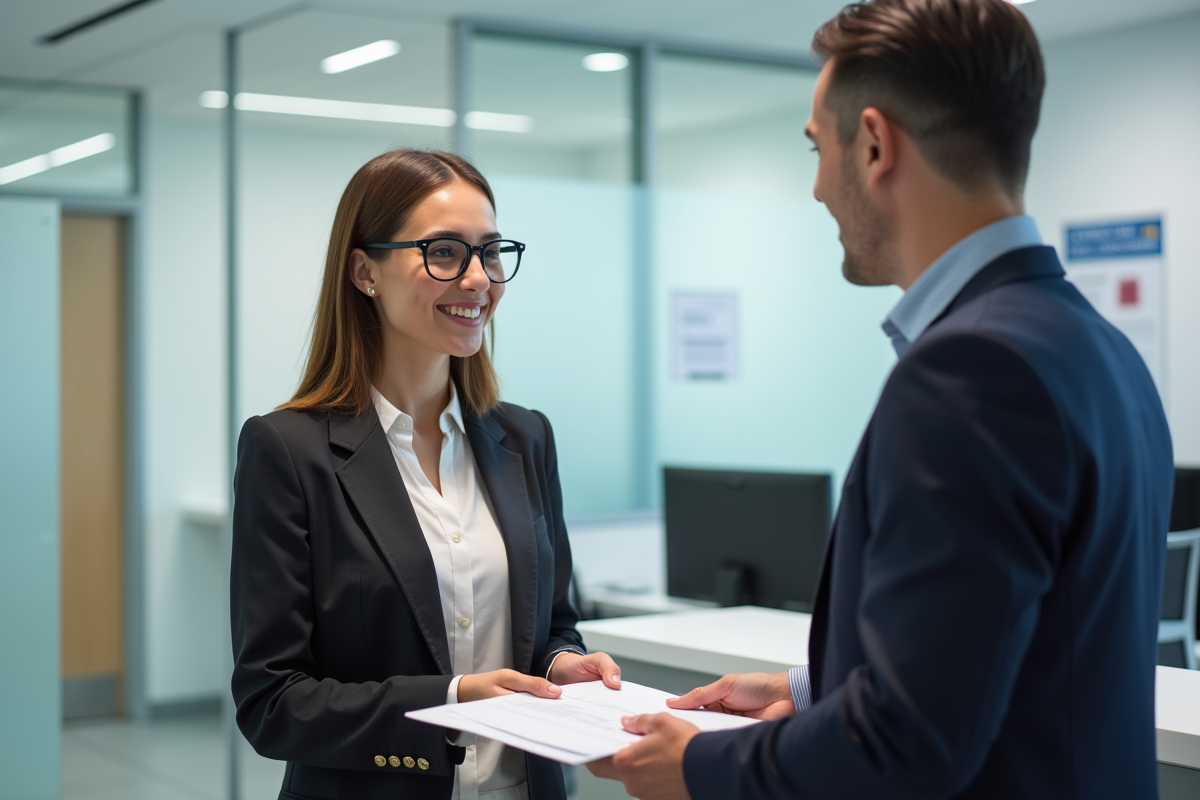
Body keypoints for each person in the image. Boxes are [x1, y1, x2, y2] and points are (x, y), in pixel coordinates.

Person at [589, 1, 1174, 798]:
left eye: (816, 148)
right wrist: (808, 691)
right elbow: (1012, 657)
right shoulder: (1097, 346)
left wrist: (697, 766)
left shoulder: (971, 371)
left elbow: (907, 743)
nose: (817, 189)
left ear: (873, 144)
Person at [230, 149, 620, 800]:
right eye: (444, 252)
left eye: (489, 252)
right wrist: (453, 700)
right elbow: (272, 703)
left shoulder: (526, 438)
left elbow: (553, 625)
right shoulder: (288, 451)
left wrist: (563, 665)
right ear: (365, 272)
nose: (478, 279)